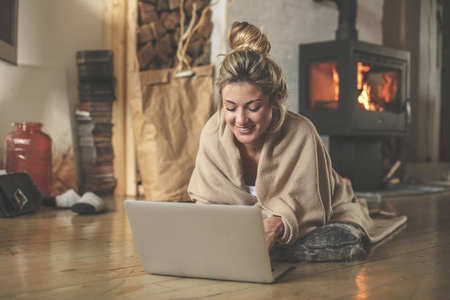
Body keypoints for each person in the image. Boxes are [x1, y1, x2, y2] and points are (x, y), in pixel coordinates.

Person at [188, 22, 402, 261]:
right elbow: (205, 202)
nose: (240, 120)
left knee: (337, 239)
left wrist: (278, 224)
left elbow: (313, 207)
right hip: (246, 224)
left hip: (320, 211)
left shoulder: (302, 132)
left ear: (275, 99)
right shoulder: (212, 133)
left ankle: (329, 195)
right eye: (230, 107)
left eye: (253, 107)